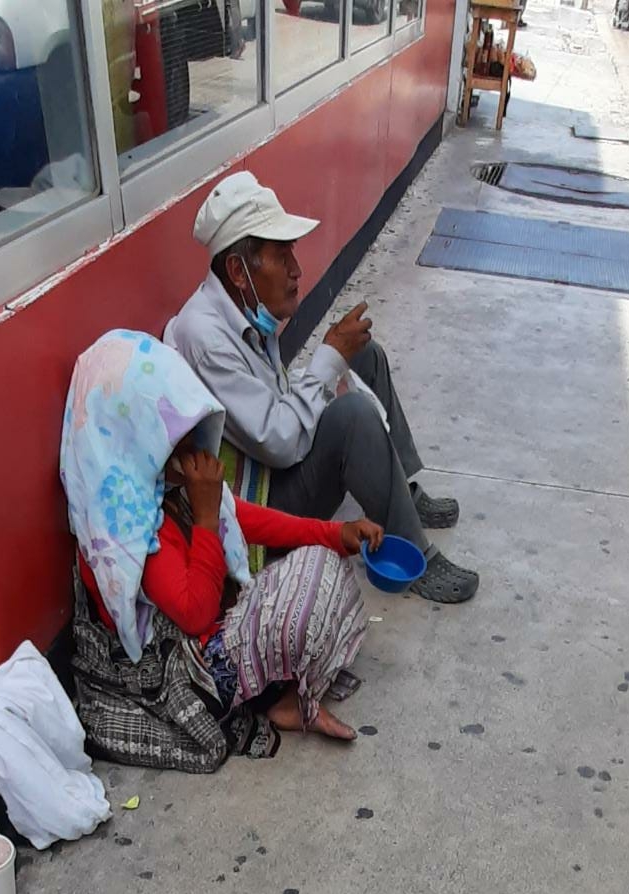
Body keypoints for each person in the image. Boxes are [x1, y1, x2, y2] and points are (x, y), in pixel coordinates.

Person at [59, 330, 383, 772]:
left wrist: (334, 533)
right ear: (134, 437)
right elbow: (194, 613)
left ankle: (287, 699)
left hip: (211, 634)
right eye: (174, 432)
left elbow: (246, 517)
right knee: (306, 591)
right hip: (185, 671)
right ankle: (282, 701)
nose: (192, 442)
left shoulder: (160, 488)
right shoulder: (123, 526)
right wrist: (207, 517)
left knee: (323, 562)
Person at [165, 171, 479, 604]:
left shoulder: (242, 308)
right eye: (281, 256)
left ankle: (398, 492)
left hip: (273, 459)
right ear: (239, 270)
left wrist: (335, 364)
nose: (296, 269)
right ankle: (414, 554)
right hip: (256, 504)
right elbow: (279, 443)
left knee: (364, 356)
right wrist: (327, 361)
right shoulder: (203, 337)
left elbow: (271, 403)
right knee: (351, 417)